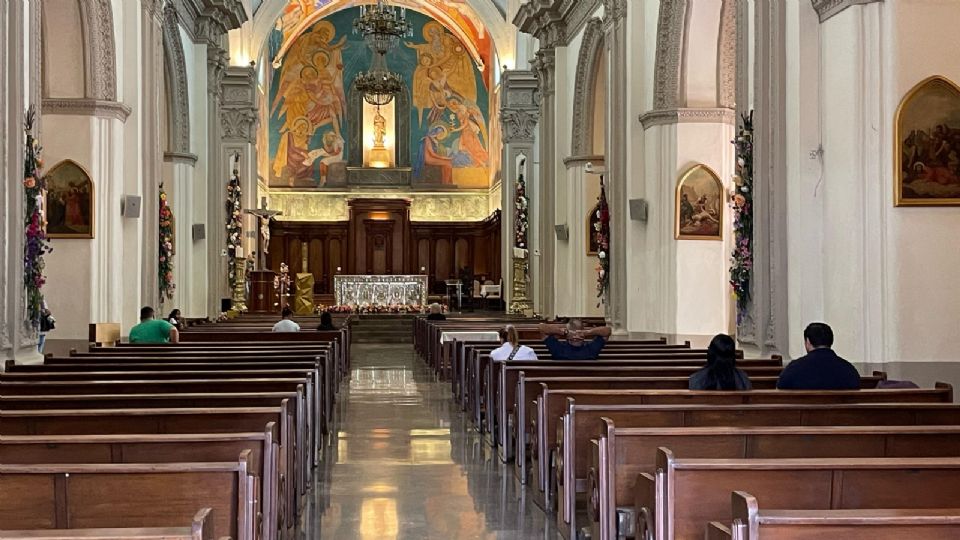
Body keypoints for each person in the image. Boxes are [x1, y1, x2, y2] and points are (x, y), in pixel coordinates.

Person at [776, 323, 861, 390]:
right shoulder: (848, 370)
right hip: (841, 412)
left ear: (808, 341)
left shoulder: (794, 368)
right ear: (831, 341)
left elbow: (781, 388)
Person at [538, 318, 612, 360]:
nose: (576, 337)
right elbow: (541, 327)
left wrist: (586, 332)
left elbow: (608, 330)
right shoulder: (591, 349)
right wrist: (565, 332)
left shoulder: (558, 349)